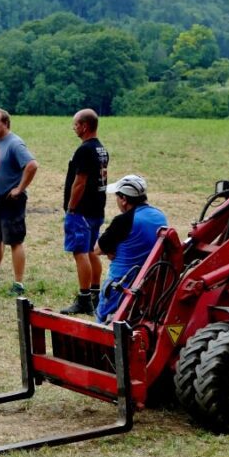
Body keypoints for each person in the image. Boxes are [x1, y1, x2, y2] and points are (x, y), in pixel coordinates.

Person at [0, 107, 38, 296]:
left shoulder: (14, 143)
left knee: (14, 241)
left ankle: (18, 283)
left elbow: (31, 165)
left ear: (6, 124)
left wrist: (19, 189)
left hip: (10, 201)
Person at [94, 175, 167, 323]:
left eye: (117, 197)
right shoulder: (160, 217)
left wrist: (110, 250)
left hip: (121, 286)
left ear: (124, 199)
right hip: (150, 285)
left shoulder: (124, 221)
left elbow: (97, 249)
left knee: (104, 325)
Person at [60, 109, 109, 315]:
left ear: (85, 126)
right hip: (97, 207)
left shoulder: (84, 150)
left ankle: (84, 298)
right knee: (91, 251)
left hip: (81, 210)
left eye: (76, 124)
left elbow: (79, 182)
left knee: (80, 252)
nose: (74, 128)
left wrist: (71, 208)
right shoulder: (101, 149)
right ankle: (97, 294)